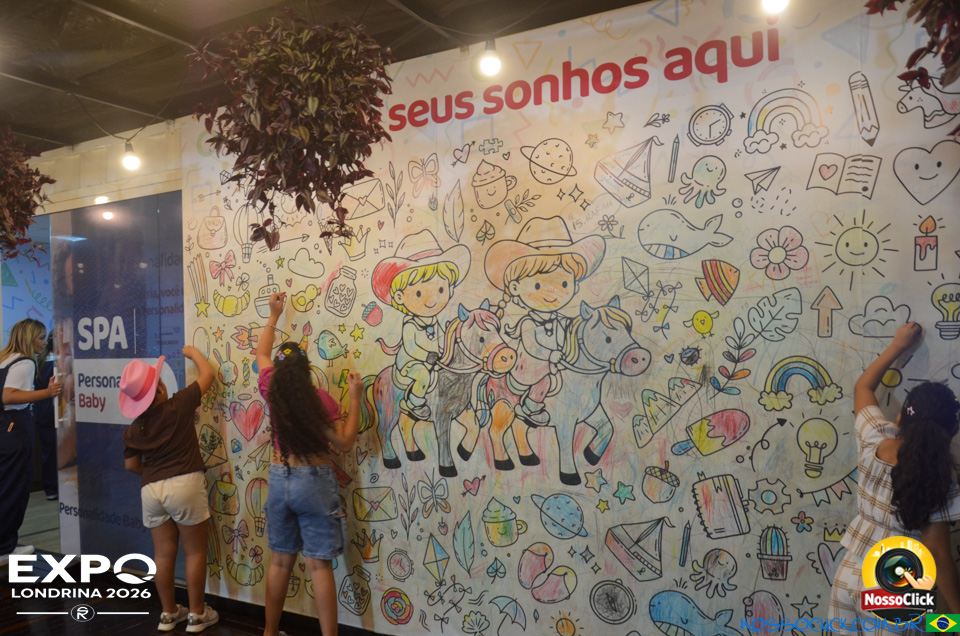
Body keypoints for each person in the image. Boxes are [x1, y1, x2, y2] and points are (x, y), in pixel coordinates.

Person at [829, 322, 960, 631]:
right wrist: (956, 617)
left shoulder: (875, 438)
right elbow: (938, 554)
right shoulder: (939, 476)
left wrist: (898, 345)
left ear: (900, 419)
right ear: (951, 432)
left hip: (848, 575)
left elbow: (863, 388)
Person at [256, 292, 362, 636]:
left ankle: (269, 633)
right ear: (306, 372)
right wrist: (356, 398)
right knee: (319, 567)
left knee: (280, 561)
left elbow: (260, 353)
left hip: (279, 478)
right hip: (313, 483)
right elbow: (344, 442)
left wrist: (274, 315)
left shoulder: (271, 391)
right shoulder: (320, 401)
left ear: (278, 371)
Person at [121, 346, 218, 633]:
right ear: (161, 388)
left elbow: (131, 466)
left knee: (162, 555)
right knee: (195, 552)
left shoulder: (134, 429)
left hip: (151, 490)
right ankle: (197, 615)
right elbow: (208, 374)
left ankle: (168, 614)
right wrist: (194, 354)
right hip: (185, 483)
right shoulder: (179, 405)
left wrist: (154, 473)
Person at [484, 216, 605, 426]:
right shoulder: (528, 323)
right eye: (538, 286)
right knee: (545, 379)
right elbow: (532, 346)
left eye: (563, 284)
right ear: (515, 287)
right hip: (527, 368)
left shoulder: (562, 322)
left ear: (575, 286)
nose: (551, 293)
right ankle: (529, 407)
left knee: (555, 380)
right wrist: (551, 355)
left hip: (551, 366)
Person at [0, 319, 61, 567]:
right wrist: (47, 393)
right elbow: (9, 396)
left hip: (5, 427)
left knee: (6, 485)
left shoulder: (5, 358)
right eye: (41, 338)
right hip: (15, 427)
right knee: (14, 487)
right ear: (29, 338)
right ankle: (5, 547)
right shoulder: (25, 362)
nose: (45, 343)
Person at [34, 332, 58, 500]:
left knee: (48, 452)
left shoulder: (39, 361)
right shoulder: (58, 363)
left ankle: (51, 489)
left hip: (42, 411)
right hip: (55, 410)